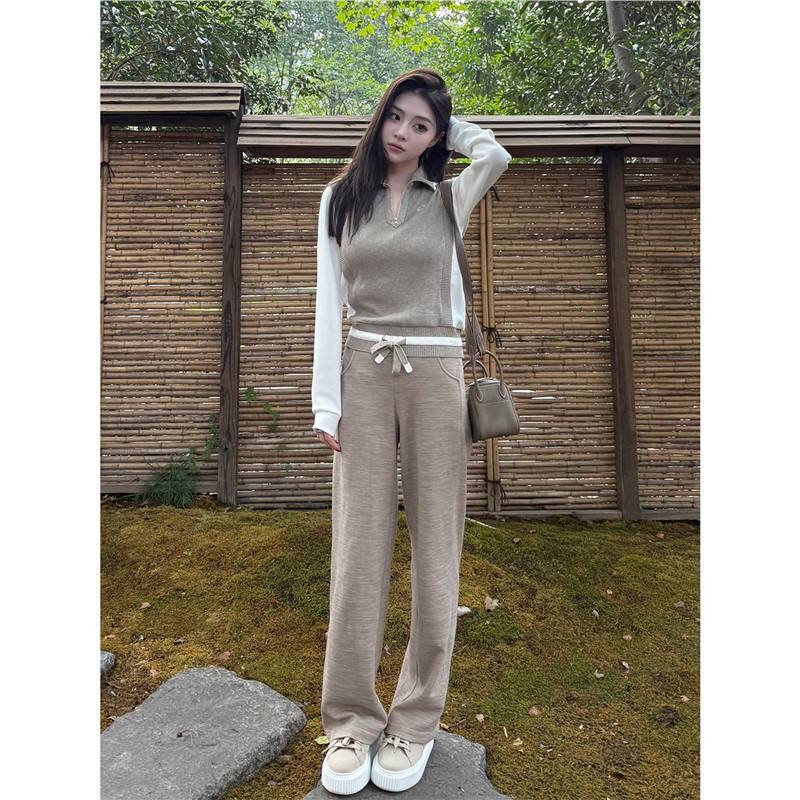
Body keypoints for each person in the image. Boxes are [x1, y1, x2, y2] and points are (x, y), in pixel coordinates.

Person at [311, 68, 511, 795]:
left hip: (435, 372)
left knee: (436, 546)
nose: (403, 132)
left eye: (421, 125)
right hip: (364, 370)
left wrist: (449, 127)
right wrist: (325, 404)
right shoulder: (340, 198)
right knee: (358, 545)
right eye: (396, 116)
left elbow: (495, 155)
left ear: (436, 137)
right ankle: (350, 721)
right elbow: (328, 301)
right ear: (380, 117)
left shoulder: (450, 195)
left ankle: (416, 720)